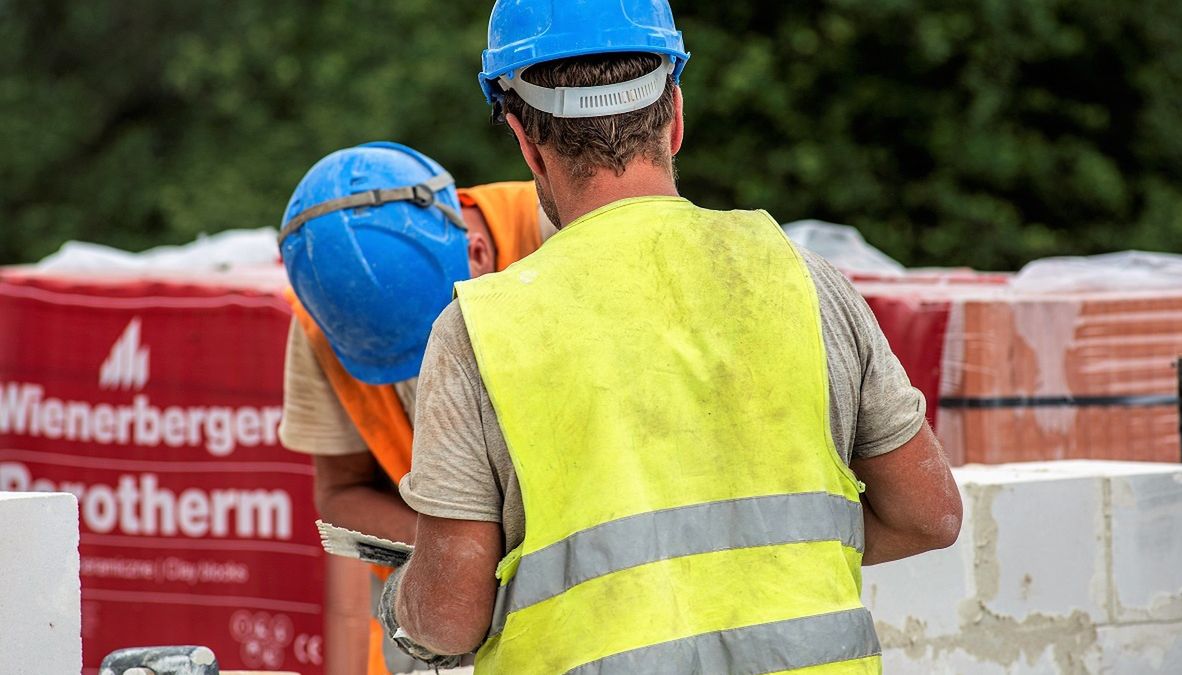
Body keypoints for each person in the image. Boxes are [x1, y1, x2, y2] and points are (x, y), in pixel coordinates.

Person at [382, 1, 963, 672]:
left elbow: (451, 617)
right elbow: (930, 513)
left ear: (527, 143)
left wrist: (402, 602)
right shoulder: (804, 280)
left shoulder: (478, 331)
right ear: (676, 114)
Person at [276, 141, 550, 674]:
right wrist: (457, 557)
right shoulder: (331, 316)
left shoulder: (554, 239)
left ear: (477, 253)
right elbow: (340, 491)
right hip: (428, 619)